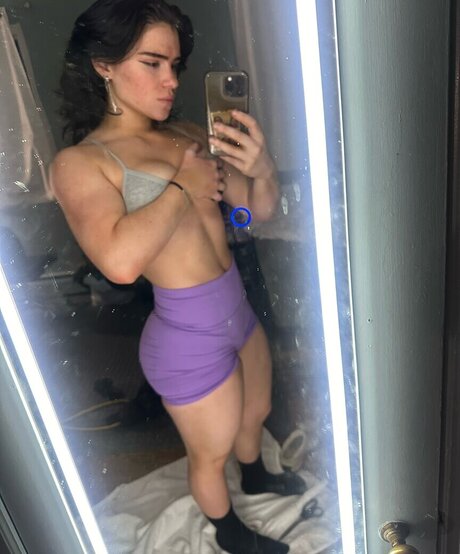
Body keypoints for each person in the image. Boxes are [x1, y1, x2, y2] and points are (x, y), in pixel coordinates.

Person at [50, 1, 306, 552]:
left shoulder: (187, 133)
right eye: (152, 63)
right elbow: (119, 263)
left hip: (237, 310)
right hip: (187, 338)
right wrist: (183, 186)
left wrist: (261, 168)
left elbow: (253, 211)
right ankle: (232, 535)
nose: (171, 80)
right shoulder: (82, 162)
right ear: (104, 65)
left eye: (175, 65)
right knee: (209, 455)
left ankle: (256, 477)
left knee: (256, 414)